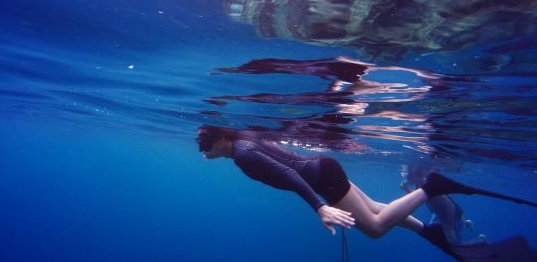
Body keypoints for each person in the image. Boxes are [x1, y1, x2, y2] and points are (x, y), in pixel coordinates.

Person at [196, 125, 537, 261]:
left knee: (374, 228)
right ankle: (430, 231)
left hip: (320, 179)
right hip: (323, 169)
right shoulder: (246, 138)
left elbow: (287, 173)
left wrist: (319, 207)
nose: (204, 152)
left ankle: (430, 187)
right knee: (376, 208)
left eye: (205, 145)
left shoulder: (242, 154)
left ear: (220, 139)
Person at [400, 165, 487, 246]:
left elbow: (450, 207)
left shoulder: (429, 186)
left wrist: (449, 228)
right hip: (439, 214)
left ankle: (481, 240)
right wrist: (406, 189)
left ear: (416, 175)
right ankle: (465, 222)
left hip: (454, 215)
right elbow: (419, 198)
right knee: (433, 232)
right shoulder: (419, 185)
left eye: (407, 175)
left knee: (454, 244)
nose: (405, 177)